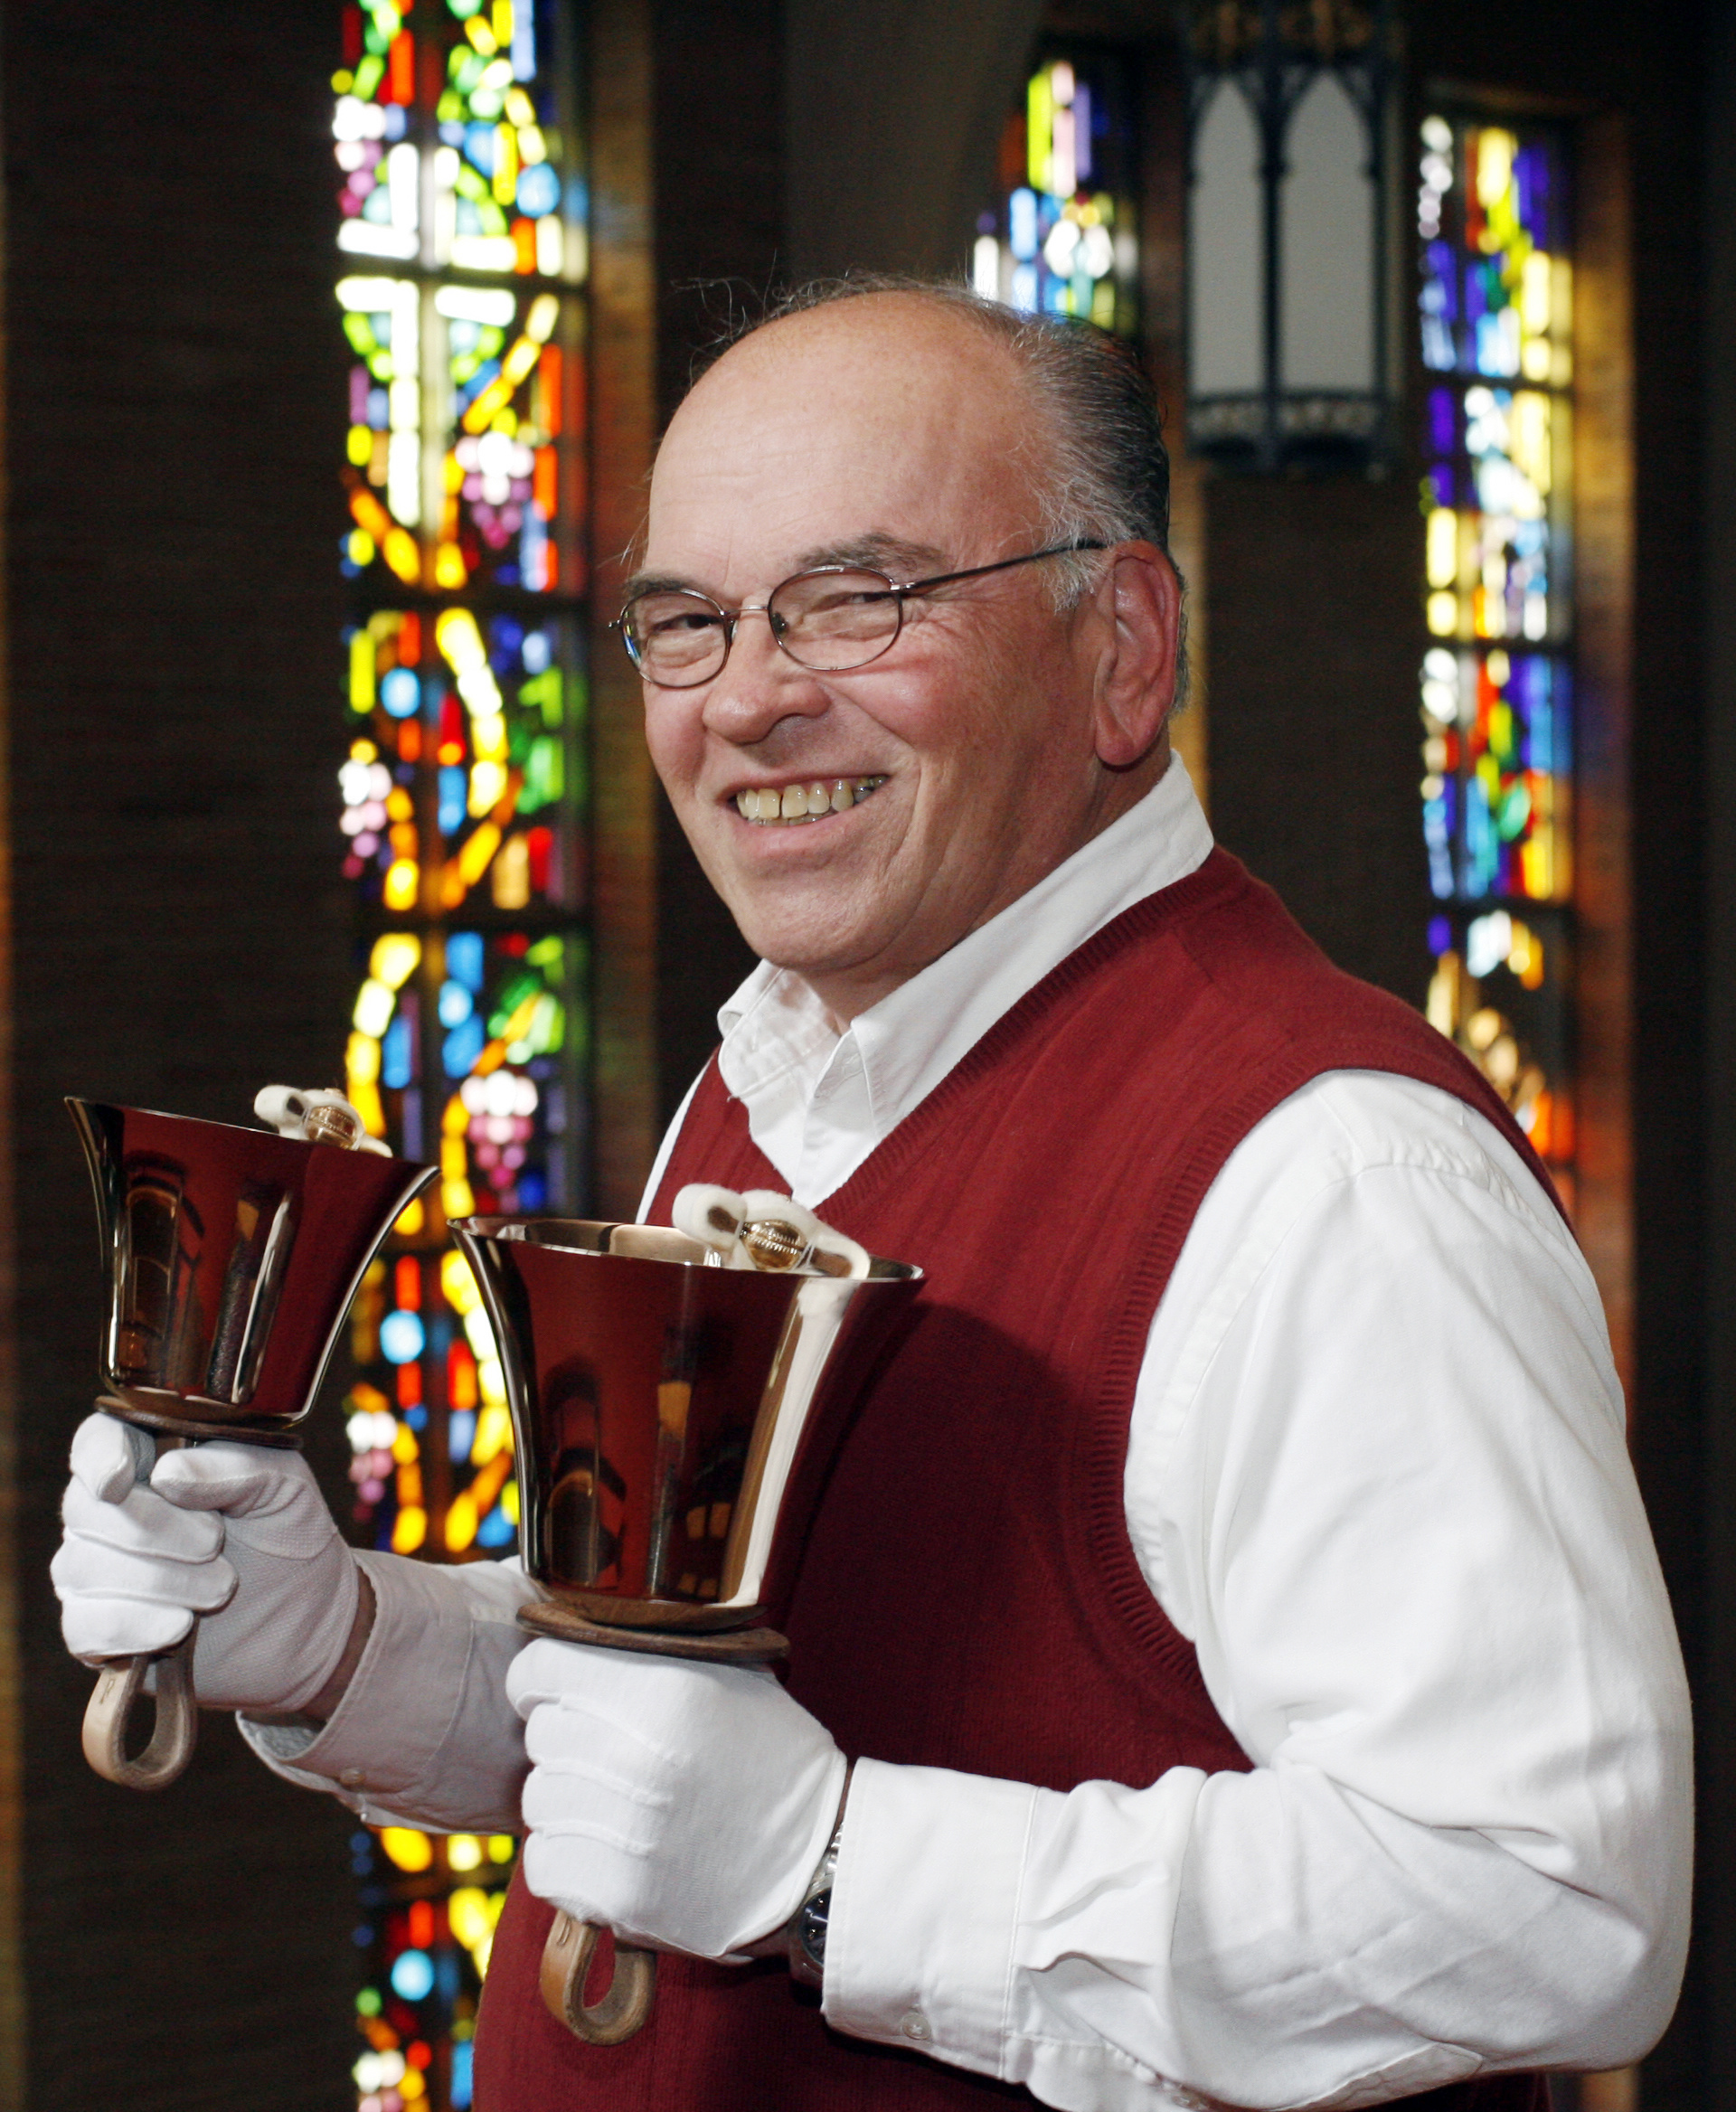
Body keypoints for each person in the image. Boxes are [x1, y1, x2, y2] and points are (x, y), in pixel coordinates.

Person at [53, 281, 1691, 2112]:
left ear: (1123, 646)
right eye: (688, 620)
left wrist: (833, 1868)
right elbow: (683, 1731)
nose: (751, 697)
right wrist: (346, 1647)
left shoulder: (1335, 1174)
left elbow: (1551, 1903)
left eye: (861, 598)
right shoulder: (769, 1078)